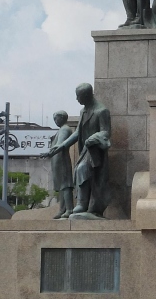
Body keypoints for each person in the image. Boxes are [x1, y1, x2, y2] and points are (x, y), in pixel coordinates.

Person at [55, 84, 112, 218]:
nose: (77, 99)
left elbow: (106, 131)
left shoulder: (101, 111)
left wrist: (94, 137)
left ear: (86, 95)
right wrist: (63, 145)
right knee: (79, 171)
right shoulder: (83, 112)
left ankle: (83, 203)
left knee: (82, 169)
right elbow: (77, 132)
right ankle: (82, 203)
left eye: (78, 96)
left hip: (95, 150)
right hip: (85, 150)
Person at [47, 111, 74, 219]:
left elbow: (60, 144)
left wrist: (50, 152)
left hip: (62, 160)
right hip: (57, 160)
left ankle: (69, 209)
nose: (55, 121)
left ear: (62, 117)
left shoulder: (65, 129)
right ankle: (62, 209)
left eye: (56, 118)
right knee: (61, 187)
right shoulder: (61, 129)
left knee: (66, 185)